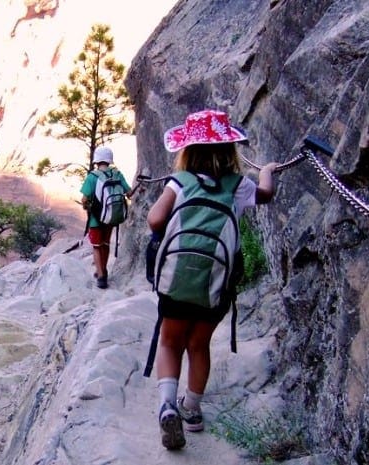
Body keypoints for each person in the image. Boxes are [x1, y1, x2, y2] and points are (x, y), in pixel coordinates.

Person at [146, 109, 278, 449]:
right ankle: (191, 409)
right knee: (198, 344)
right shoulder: (238, 185)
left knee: (170, 342)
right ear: (230, 150)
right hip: (215, 284)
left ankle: (166, 406)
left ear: (186, 151)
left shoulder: (181, 182)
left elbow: (155, 220)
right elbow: (266, 195)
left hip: (176, 280)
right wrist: (266, 172)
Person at [80, 145, 134, 289]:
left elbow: (84, 199)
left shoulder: (92, 177)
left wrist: (86, 207)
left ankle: (101, 275)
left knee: (97, 247)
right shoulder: (117, 174)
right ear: (109, 160)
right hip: (111, 217)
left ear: (97, 161)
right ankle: (104, 270)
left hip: (96, 219)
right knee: (106, 244)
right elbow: (129, 192)